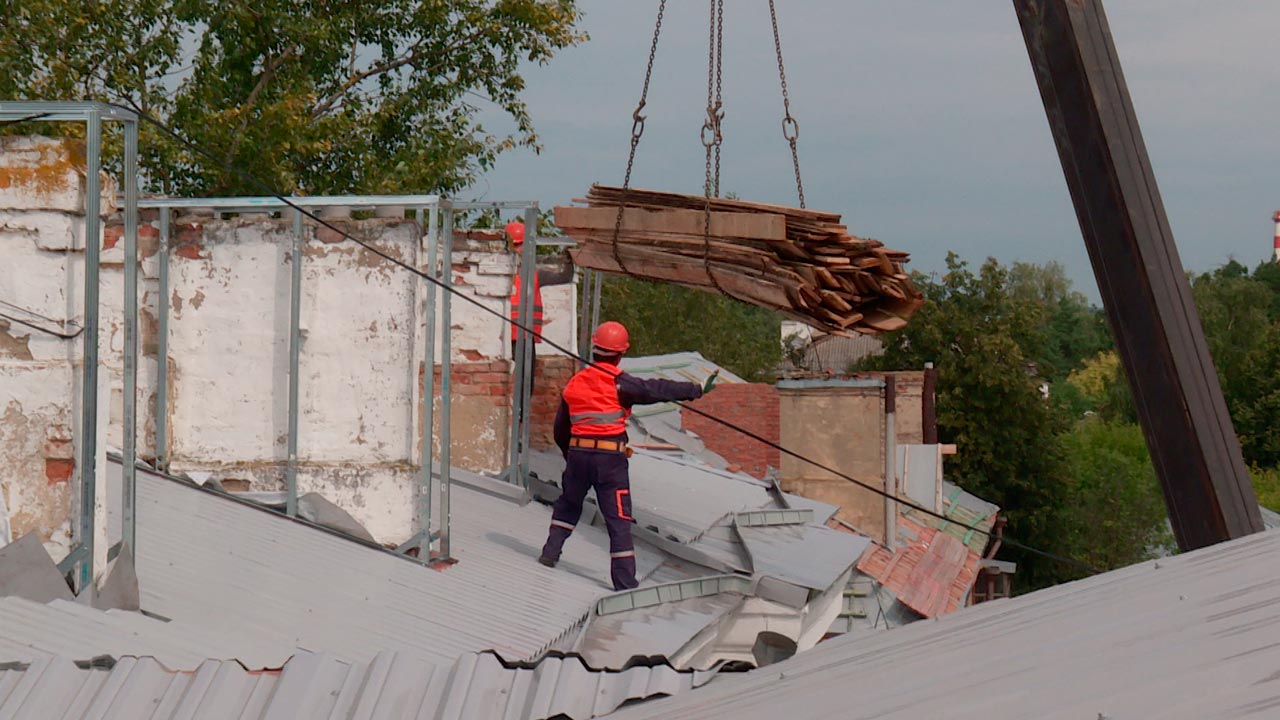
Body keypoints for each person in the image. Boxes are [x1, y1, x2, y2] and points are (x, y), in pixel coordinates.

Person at [538, 321, 719, 590]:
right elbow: (657, 389)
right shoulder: (622, 385)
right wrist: (696, 390)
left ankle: (550, 553)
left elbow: (560, 429)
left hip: (578, 454)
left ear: (594, 349)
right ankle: (623, 582)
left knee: (568, 504)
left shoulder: (574, 384)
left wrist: (572, 455)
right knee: (618, 518)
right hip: (610, 460)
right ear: (621, 353)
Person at [507, 220, 542, 397]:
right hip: (509, 337)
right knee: (514, 384)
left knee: (526, 386)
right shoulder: (504, 271)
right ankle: (516, 419)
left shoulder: (531, 272)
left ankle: (520, 420)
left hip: (527, 335)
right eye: (517, 245)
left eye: (522, 245)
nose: (521, 249)